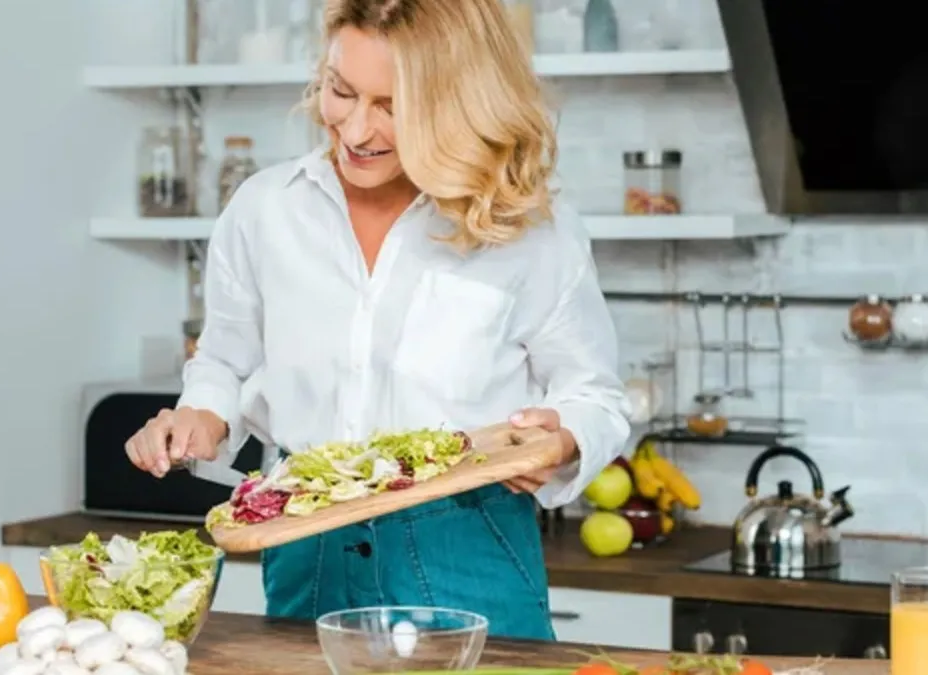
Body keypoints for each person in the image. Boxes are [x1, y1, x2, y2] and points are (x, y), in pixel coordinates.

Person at [124, 0, 630, 640]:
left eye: (392, 106)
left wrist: (560, 439)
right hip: (307, 545)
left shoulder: (529, 227)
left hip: (467, 542)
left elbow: (596, 396)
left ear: (458, 103)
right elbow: (226, 359)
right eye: (341, 91)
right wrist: (199, 415)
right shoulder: (265, 211)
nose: (357, 129)